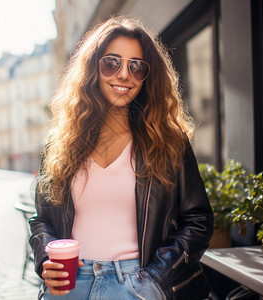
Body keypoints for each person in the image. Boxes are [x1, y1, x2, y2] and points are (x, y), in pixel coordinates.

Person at [29, 16, 214, 300]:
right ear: (93, 67)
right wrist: (47, 261)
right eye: (111, 63)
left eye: (137, 66)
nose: (124, 74)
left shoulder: (168, 141)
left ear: (147, 76)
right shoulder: (61, 143)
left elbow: (198, 220)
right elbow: (42, 220)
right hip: (70, 286)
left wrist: (156, 279)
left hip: (137, 285)